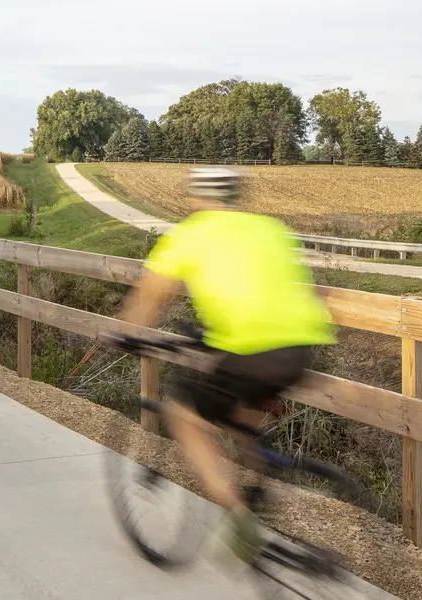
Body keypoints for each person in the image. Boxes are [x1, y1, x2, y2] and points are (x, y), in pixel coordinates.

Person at [103, 166, 336, 562]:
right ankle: (261, 480)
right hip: (299, 348)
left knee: (180, 412)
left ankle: (241, 519)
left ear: (195, 197)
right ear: (236, 197)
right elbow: (274, 286)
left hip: (248, 349)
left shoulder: (190, 235)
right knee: (242, 413)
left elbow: (150, 296)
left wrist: (125, 333)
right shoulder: (270, 229)